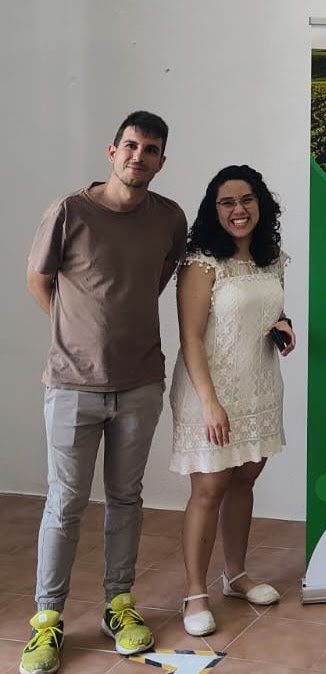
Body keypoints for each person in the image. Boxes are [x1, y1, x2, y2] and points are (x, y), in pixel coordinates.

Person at [22, 111, 187, 674]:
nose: (140, 156)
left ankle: (119, 605)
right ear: (113, 151)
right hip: (72, 387)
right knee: (65, 502)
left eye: (151, 150)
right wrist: (76, 336)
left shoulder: (169, 218)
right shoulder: (69, 211)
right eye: (131, 146)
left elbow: (159, 275)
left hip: (140, 384)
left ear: (161, 161)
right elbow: (38, 279)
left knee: (125, 499)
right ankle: (47, 620)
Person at [169, 165, 295, 636]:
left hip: (259, 386)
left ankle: (236, 576)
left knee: (244, 480)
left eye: (247, 200)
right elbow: (190, 337)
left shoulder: (271, 258)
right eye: (227, 202)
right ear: (214, 209)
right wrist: (209, 402)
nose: (238, 210)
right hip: (210, 391)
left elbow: (267, 309)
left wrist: (283, 326)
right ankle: (195, 593)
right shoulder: (201, 262)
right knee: (208, 490)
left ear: (261, 204)